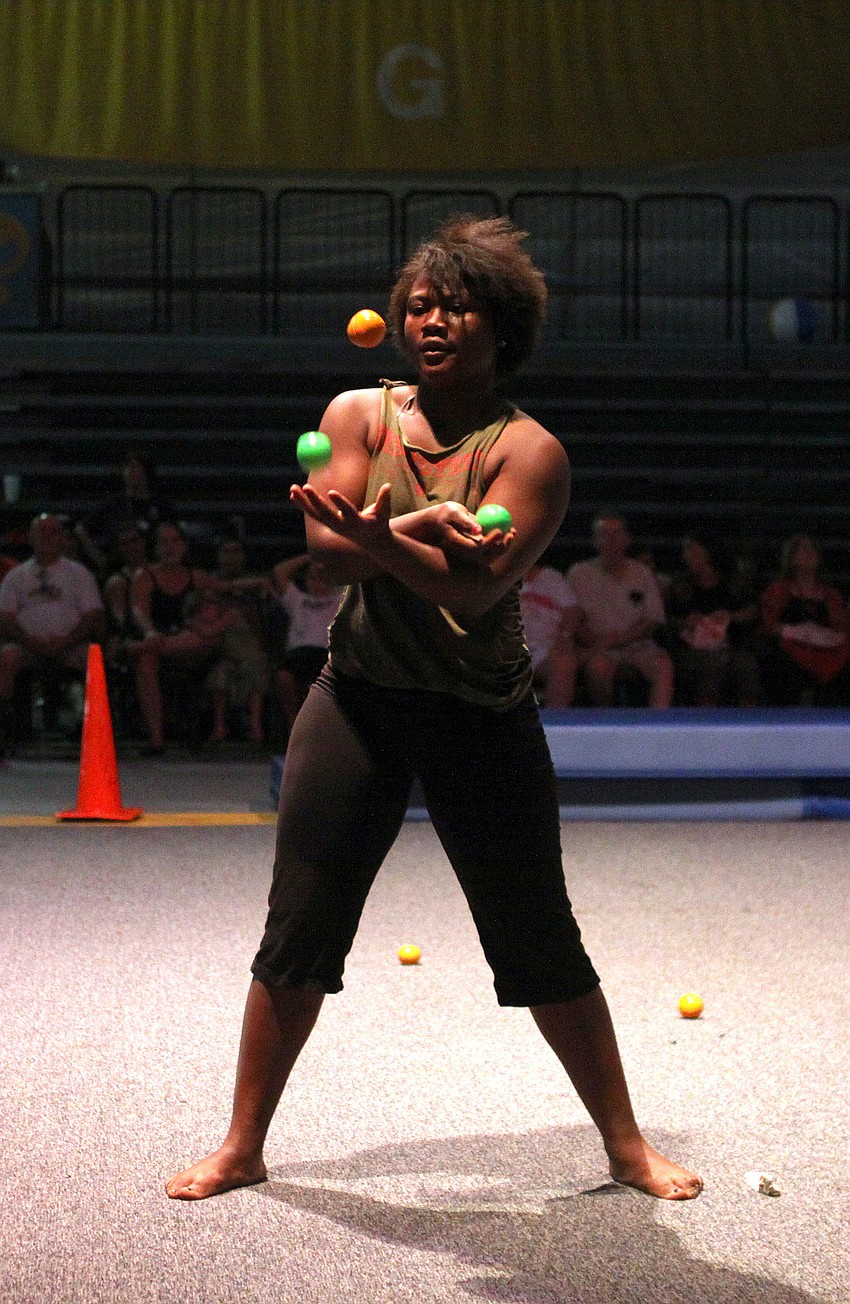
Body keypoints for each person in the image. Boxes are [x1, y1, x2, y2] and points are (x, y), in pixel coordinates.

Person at [166, 217, 702, 1203]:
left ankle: (625, 1145)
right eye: (417, 303)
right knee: (297, 930)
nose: (429, 319)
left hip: (480, 714)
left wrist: (379, 535)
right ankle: (242, 1143)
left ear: (502, 327)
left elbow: (473, 591)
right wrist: (408, 527)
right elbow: (327, 557)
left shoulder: (530, 453)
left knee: (539, 935)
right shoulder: (356, 413)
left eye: (454, 305)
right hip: (357, 700)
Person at [0, 512, 105, 750]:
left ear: (62, 538)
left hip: (70, 644)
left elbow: (92, 615)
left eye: (54, 532)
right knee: (6, 657)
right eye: (41, 532)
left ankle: (92, 729)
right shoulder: (16, 577)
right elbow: (5, 617)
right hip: (27, 646)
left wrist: (67, 639)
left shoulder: (79, 574)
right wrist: (30, 640)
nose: (48, 537)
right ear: (31, 537)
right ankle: (5, 727)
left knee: (91, 657)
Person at [568, 512, 674, 707]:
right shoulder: (578, 574)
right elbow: (572, 618)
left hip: (637, 644)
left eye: (616, 534)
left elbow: (652, 619)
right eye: (604, 534)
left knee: (663, 666)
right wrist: (595, 642)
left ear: (626, 539)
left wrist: (619, 639)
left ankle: (658, 727)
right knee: (597, 669)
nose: (611, 540)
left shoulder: (642, 573)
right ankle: (609, 725)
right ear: (595, 540)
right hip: (597, 646)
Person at [125, 521, 213, 753]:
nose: (170, 547)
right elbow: (138, 611)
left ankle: (145, 647)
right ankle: (157, 739)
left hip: (190, 641)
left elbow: (221, 596)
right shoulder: (144, 577)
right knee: (146, 661)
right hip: (157, 638)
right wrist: (150, 632)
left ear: (184, 546)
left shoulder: (198, 578)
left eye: (175, 541)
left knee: (198, 639)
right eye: (164, 542)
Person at [665, 532, 761, 706]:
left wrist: (731, 616)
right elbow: (666, 619)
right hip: (692, 649)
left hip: (728, 645)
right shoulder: (681, 586)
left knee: (746, 665)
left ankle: (748, 722)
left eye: (691, 550)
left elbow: (753, 610)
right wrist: (687, 622)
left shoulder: (733, 583)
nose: (686, 556)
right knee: (713, 663)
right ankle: (706, 721)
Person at [760, 534, 850, 705]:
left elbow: (841, 629)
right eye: (803, 549)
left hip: (826, 651)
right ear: (792, 557)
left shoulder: (831, 595)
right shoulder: (779, 590)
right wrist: (798, 632)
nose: (810, 553)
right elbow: (768, 625)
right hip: (789, 651)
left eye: (813, 549)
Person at [271, 552, 344, 728]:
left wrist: (329, 562)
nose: (317, 582)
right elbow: (280, 571)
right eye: (312, 578)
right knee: (284, 676)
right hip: (297, 655)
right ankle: (293, 726)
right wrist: (312, 556)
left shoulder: (339, 600)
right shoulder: (298, 599)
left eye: (322, 578)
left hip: (326, 655)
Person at [519, 559, 581, 706]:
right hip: (505, 648)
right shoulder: (496, 577)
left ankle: (556, 725)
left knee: (564, 662)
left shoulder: (551, 578)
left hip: (544, 648)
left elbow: (572, 611)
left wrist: (565, 637)